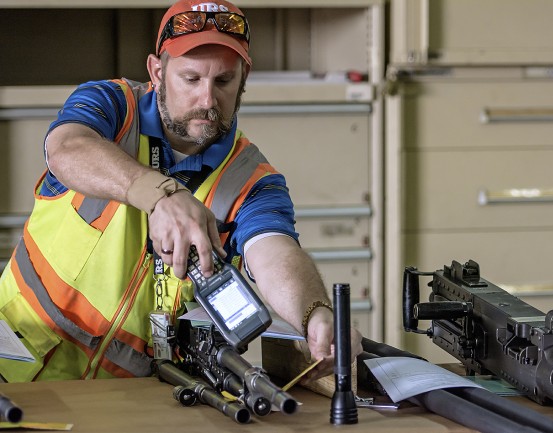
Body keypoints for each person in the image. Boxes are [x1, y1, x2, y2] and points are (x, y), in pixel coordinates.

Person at [0, 0, 362, 382]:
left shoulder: (252, 179)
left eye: (223, 81)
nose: (207, 101)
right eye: (191, 79)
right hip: (14, 368)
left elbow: (275, 252)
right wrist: (161, 194)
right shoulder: (112, 107)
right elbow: (67, 149)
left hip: (127, 400)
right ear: (157, 71)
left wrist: (315, 313)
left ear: (244, 78)